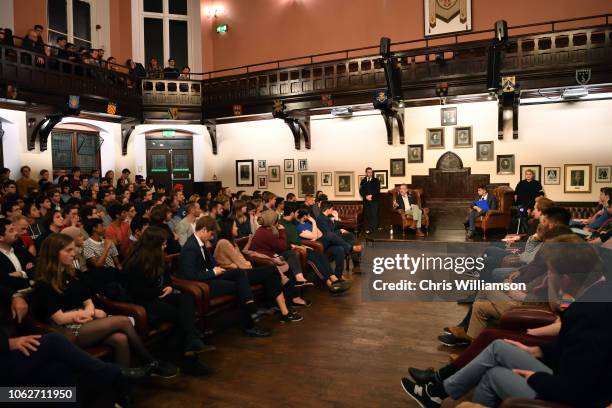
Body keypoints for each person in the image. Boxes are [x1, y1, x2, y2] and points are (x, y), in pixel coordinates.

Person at [401, 236, 612, 408]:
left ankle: (435, 392)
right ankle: (434, 393)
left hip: (573, 397)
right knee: (498, 348)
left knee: (493, 374)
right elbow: (576, 354)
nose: (548, 276)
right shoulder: (598, 294)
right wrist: (539, 352)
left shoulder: (589, 314)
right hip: (567, 378)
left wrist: (533, 377)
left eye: (551, 272)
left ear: (566, 278)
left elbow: (574, 388)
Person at [31, 233, 177, 378]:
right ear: (54, 254)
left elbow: (87, 300)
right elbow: (60, 319)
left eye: (73, 249)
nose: (74, 253)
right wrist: (87, 314)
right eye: (68, 250)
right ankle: (151, 361)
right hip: (64, 331)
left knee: (120, 339)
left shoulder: (72, 273)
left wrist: (90, 311)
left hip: (84, 321)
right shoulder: (43, 283)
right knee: (123, 321)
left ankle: (121, 391)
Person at [123, 226, 216, 376]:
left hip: (161, 297)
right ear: (153, 245)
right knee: (183, 316)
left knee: (187, 298)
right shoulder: (136, 263)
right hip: (145, 303)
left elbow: (167, 280)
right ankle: (190, 359)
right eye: (163, 244)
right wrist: (161, 290)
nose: (165, 246)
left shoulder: (158, 257)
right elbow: (137, 292)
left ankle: (189, 345)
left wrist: (169, 288)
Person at [280, 204, 351, 294]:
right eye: (296, 212)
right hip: (297, 249)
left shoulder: (293, 221)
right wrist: (299, 246)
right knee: (316, 258)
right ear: (292, 213)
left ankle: (334, 278)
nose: (298, 213)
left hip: (304, 245)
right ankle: (329, 283)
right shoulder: (283, 224)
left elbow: (317, 234)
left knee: (324, 255)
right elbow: (285, 241)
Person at [0, 219, 35, 291]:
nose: (16, 232)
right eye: (11, 231)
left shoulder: (19, 248)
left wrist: (22, 273)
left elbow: (38, 265)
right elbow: (4, 280)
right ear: (1, 237)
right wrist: (29, 279)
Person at [359, 167, 381, 234]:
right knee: (367, 215)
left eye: (371, 172)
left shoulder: (376, 180)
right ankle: (368, 229)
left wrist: (371, 195)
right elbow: (361, 190)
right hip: (366, 201)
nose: (370, 173)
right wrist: (365, 196)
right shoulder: (363, 181)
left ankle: (374, 230)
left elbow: (377, 190)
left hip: (374, 200)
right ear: (366, 173)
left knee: (374, 215)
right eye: (368, 172)